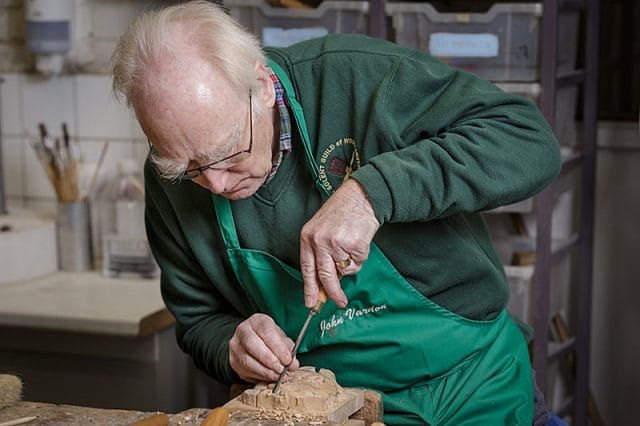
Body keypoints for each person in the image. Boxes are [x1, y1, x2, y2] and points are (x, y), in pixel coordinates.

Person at [112, 1, 561, 424]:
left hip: (475, 384)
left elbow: (529, 140)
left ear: (263, 85)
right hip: (335, 408)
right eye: (188, 169)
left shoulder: (357, 78)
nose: (218, 184)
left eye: (229, 153)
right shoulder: (170, 175)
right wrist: (231, 346)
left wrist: (373, 192)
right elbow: (198, 320)